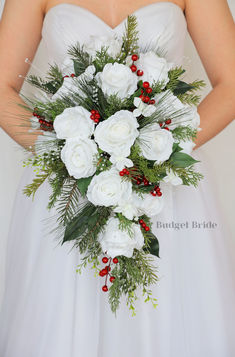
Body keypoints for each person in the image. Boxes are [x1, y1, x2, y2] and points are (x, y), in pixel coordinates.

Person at [0, 0, 235, 356]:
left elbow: (231, 83)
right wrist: (68, 153)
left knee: (169, 305)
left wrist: (156, 151)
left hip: (164, 184)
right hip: (71, 184)